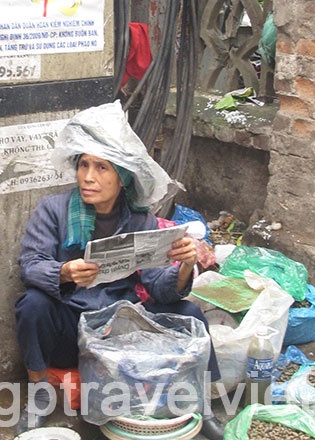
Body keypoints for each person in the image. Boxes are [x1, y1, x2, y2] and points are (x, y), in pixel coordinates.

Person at [14, 102, 224, 439]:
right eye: (84, 165)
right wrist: (66, 272)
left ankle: (203, 403)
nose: (88, 177)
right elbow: (30, 266)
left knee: (190, 313)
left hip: (121, 328)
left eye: (101, 168)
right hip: (72, 326)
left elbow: (160, 289)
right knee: (32, 304)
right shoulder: (52, 210)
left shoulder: (142, 221)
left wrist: (185, 265)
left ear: (122, 178)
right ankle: (39, 392)